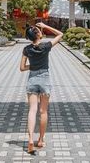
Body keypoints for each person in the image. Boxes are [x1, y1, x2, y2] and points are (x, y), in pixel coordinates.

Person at [19, 21, 63, 153]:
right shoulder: (45, 46)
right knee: (43, 111)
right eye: (40, 31)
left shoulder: (26, 49)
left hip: (32, 79)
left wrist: (32, 67)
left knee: (32, 110)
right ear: (38, 34)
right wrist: (45, 26)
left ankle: (31, 139)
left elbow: (22, 68)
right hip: (44, 78)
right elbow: (60, 34)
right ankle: (41, 140)